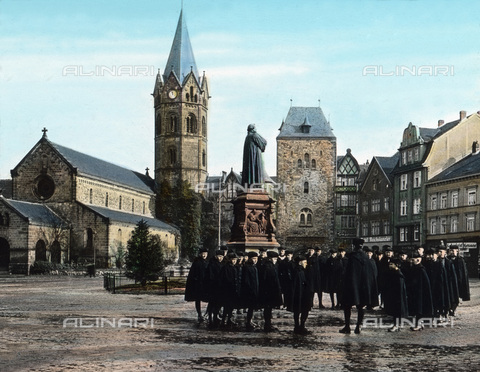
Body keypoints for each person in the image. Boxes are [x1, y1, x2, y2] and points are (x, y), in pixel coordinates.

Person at [339, 238, 378, 334]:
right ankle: (358, 326)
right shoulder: (366, 258)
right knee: (361, 306)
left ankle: (347, 326)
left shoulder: (352, 257)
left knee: (347, 305)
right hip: (363, 287)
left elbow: (347, 273)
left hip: (351, 286)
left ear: (353, 246)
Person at [405, 252, 433, 331]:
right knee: (417, 309)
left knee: (419, 309)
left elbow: (426, 283)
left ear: (418, 260)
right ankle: (420, 324)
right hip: (415, 292)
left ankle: (418, 324)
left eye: (413, 260)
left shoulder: (421, 269)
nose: (411, 261)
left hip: (420, 293)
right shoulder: (413, 268)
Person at [259, 251, 283, 332]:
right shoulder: (267, 266)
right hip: (269, 291)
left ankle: (268, 324)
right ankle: (267, 325)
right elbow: (265, 280)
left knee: (269, 309)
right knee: (268, 308)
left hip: (270, 291)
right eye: (274, 258)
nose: (275, 260)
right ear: (270, 258)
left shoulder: (271, 266)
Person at [288, 255, 312, 335]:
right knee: (302, 310)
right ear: (300, 262)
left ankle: (298, 326)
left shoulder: (300, 271)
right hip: (301, 295)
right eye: (305, 262)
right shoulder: (298, 271)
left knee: (298, 311)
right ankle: (300, 326)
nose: (306, 264)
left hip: (300, 294)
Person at [383, 258, 409, 332]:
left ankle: (396, 325)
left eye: (391, 264)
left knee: (397, 311)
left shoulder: (398, 275)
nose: (390, 265)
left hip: (398, 297)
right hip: (394, 296)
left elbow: (400, 288)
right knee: (396, 312)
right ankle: (397, 325)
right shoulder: (393, 273)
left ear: (396, 265)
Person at [184, 247, 209, 323]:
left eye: (206, 254)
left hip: (205, 284)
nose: (204, 255)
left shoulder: (207, 262)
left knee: (210, 299)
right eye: (203, 253)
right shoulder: (197, 262)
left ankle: (206, 314)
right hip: (198, 285)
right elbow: (192, 274)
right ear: (200, 254)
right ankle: (199, 314)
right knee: (198, 300)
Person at [219, 252, 240, 327]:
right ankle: (224, 319)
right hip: (227, 290)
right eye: (233, 259)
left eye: (235, 259)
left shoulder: (235, 267)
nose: (234, 261)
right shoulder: (226, 268)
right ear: (229, 260)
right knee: (226, 306)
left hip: (233, 290)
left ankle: (229, 319)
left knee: (231, 306)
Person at [204, 250, 224, 328]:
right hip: (213, 288)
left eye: (221, 257)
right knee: (212, 303)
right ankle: (210, 318)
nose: (220, 258)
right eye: (219, 256)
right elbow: (210, 276)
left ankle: (215, 317)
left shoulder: (222, 264)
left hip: (219, 288)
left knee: (218, 304)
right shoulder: (212, 265)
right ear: (216, 256)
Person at [241, 251, 260, 331]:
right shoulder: (247, 267)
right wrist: (250, 289)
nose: (255, 260)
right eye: (253, 258)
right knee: (250, 307)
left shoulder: (254, 267)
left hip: (255, 289)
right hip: (250, 291)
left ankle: (250, 320)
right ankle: (248, 322)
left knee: (252, 307)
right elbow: (246, 280)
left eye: (256, 258)